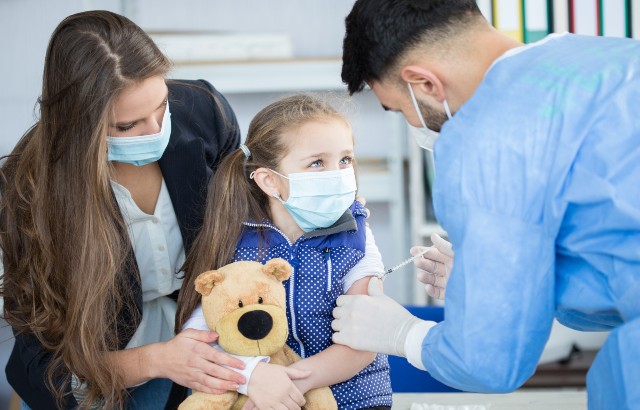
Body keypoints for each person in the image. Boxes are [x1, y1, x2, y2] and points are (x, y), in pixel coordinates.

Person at [330, 1, 640, 409]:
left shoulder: (485, 142)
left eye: (398, 109)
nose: (409, 122)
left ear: (423, 83)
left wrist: (405, 334)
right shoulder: (612, 58)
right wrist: (506, 278)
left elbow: (489, 362)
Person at [0, 10, 248, 409]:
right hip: (90, 369)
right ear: (81, 126)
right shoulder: (27, 190)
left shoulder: (202, 113)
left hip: (198, 338)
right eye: (127, 126)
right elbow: (47, 359)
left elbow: (250, 222)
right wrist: (154, 360)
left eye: (162, 106)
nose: (156, 131)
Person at [176, 94, 394, 410]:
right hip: (257, 397)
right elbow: (199, 335)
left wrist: (284, 384)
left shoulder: (357, 236)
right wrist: (253, 379)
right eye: (317, 162)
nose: (338, 173)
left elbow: (366, 337)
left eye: (345, 159)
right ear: (269, 181)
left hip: (355, 399)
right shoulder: (231, 238)